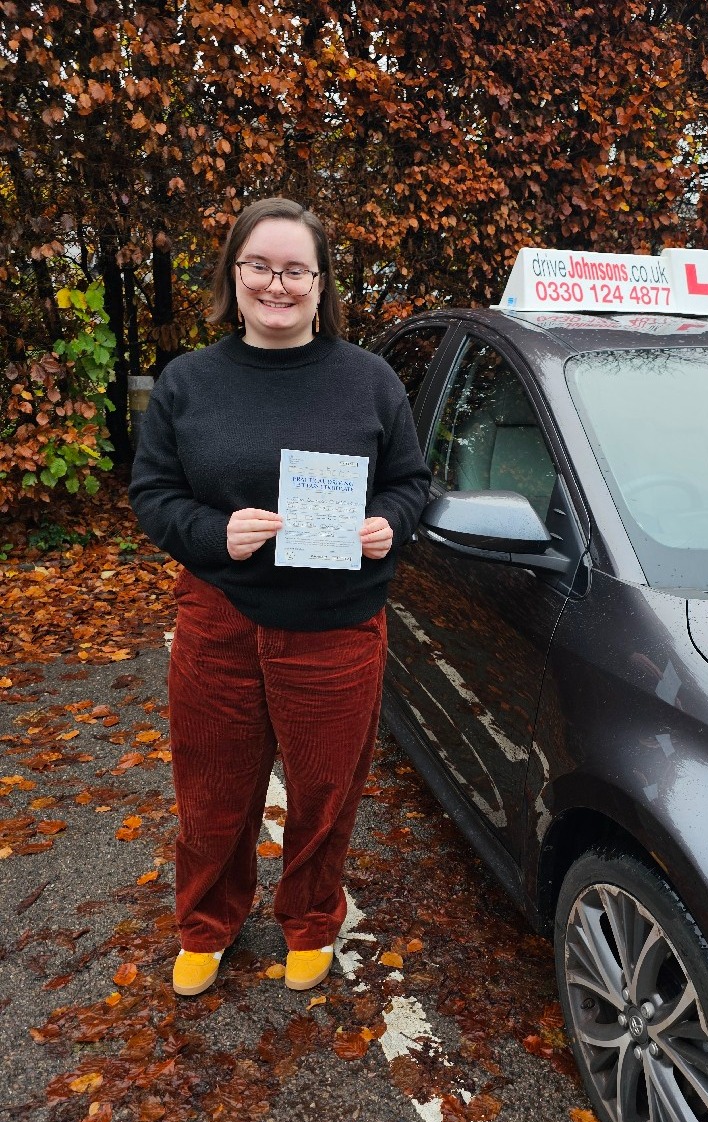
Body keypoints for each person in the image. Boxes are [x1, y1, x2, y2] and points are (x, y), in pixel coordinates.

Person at [130, 197, 431, 997]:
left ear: (320, 282)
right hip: (221, 617)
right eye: (260, 265)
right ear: (235, 273)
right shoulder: (188, 382)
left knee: (326, 789)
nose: (278, 283)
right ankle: (206, 923)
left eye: (296, 269)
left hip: (335, 626)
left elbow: (411, 482)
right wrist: (210, 533)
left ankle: (310, 917)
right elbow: (153, 491)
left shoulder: (368, 380)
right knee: (210, 790)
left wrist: (387, 525)